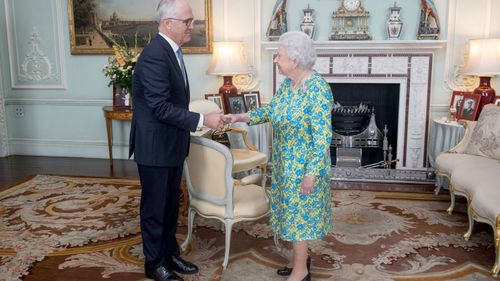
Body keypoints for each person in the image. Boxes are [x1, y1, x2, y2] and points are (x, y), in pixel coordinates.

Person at [222, 31, 333, 281]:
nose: (276, 60)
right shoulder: (289, 84)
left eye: (279, 56)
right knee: (289, 213)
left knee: (300, 218)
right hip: (285, 163)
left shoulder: (317, 89)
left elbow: (323, 137)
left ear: (294, 59)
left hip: (304, 165)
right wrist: (241, 117)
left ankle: (301, 272)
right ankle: (299, 260)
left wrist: (311, 173)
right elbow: (271, 111)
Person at [128, 1, 223, 280]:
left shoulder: (172, 52)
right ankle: (154, 264)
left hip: (170, 144)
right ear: (168, 22)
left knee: (170, 205)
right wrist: (202, 120)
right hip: (155, 147)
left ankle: (169, 255)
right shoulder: (155, 54)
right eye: (187, 21)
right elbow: (159, 107)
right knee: (155, 208)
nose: (191, 26)